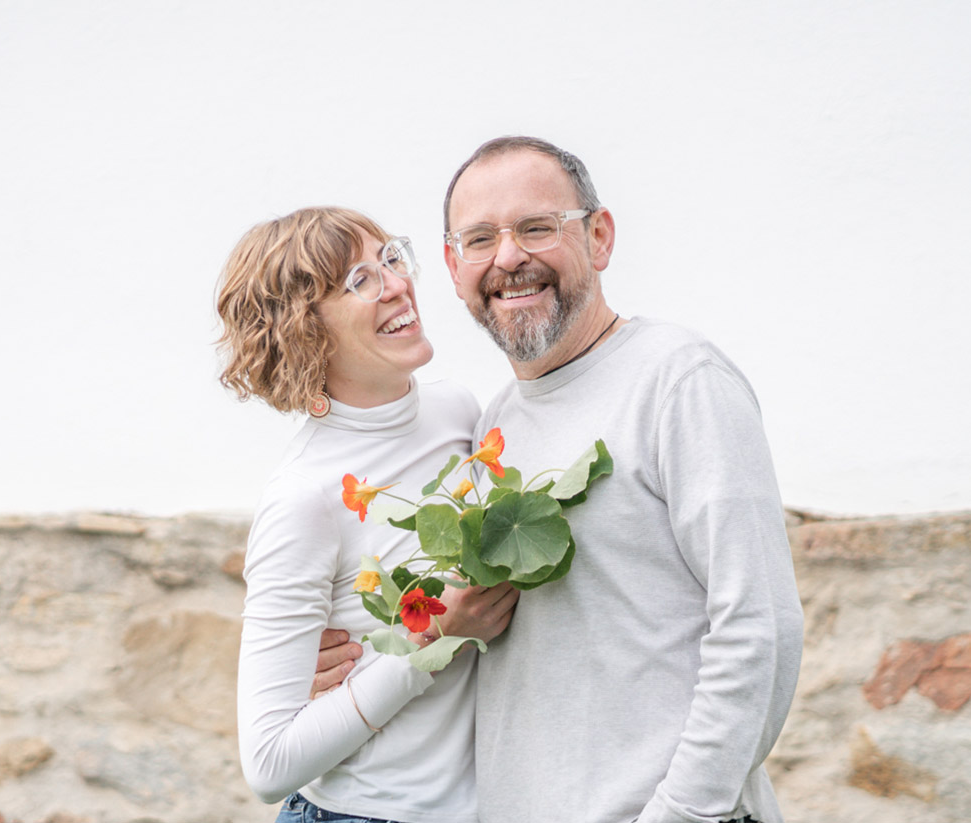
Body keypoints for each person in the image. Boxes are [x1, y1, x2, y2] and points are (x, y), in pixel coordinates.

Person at [315, 138, 805, 823]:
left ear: (599, 237)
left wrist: (682, 815)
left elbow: (760, 626)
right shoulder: (495, 430)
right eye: (480, 238)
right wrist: (343, 664)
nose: (509, 257)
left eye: (538, 227)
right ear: (454, 269)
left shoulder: (678, 379)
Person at [216, 206, 520, 823]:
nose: (398, 284)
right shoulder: (304, 497)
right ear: (307, 331)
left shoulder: (461, 414)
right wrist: (431, 639)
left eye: (391, 258)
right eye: (360, 281)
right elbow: (269, 766)